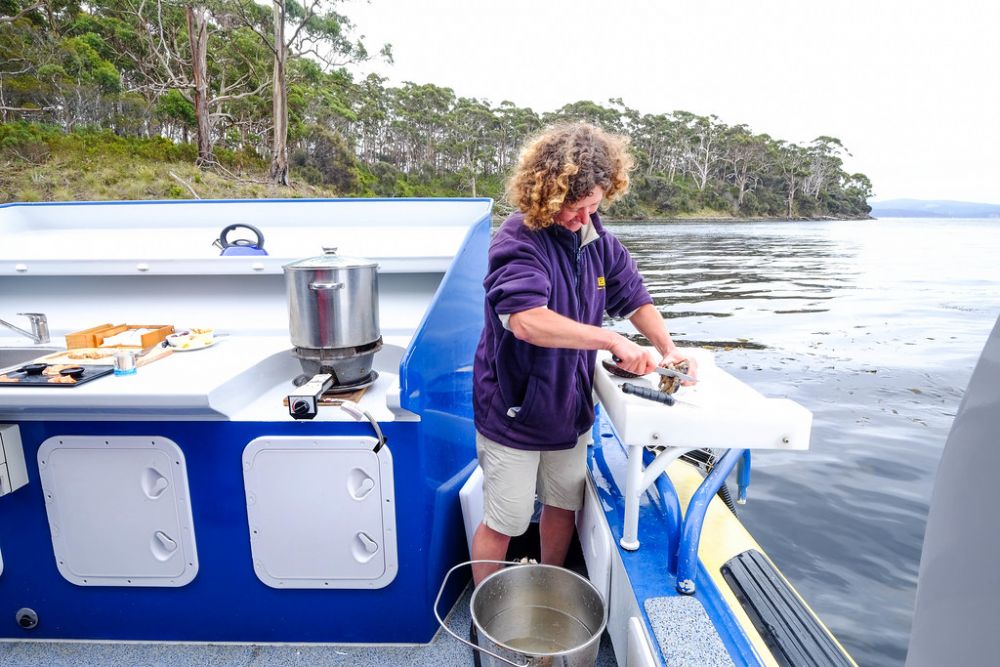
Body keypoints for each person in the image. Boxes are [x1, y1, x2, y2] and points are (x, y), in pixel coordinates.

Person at [470, 122, 696, 584]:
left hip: (569, 409)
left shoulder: (598, 240)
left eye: (593, 206)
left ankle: (552, 585)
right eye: (573, 209)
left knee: (563, 504)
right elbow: (527, 320)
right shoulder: (517, 240)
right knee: (506, 521)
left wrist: (668, 350)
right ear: (545, 197)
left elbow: (634, 297)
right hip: (514, 410)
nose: (583, 219)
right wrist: (611, 340)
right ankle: (486, 612)